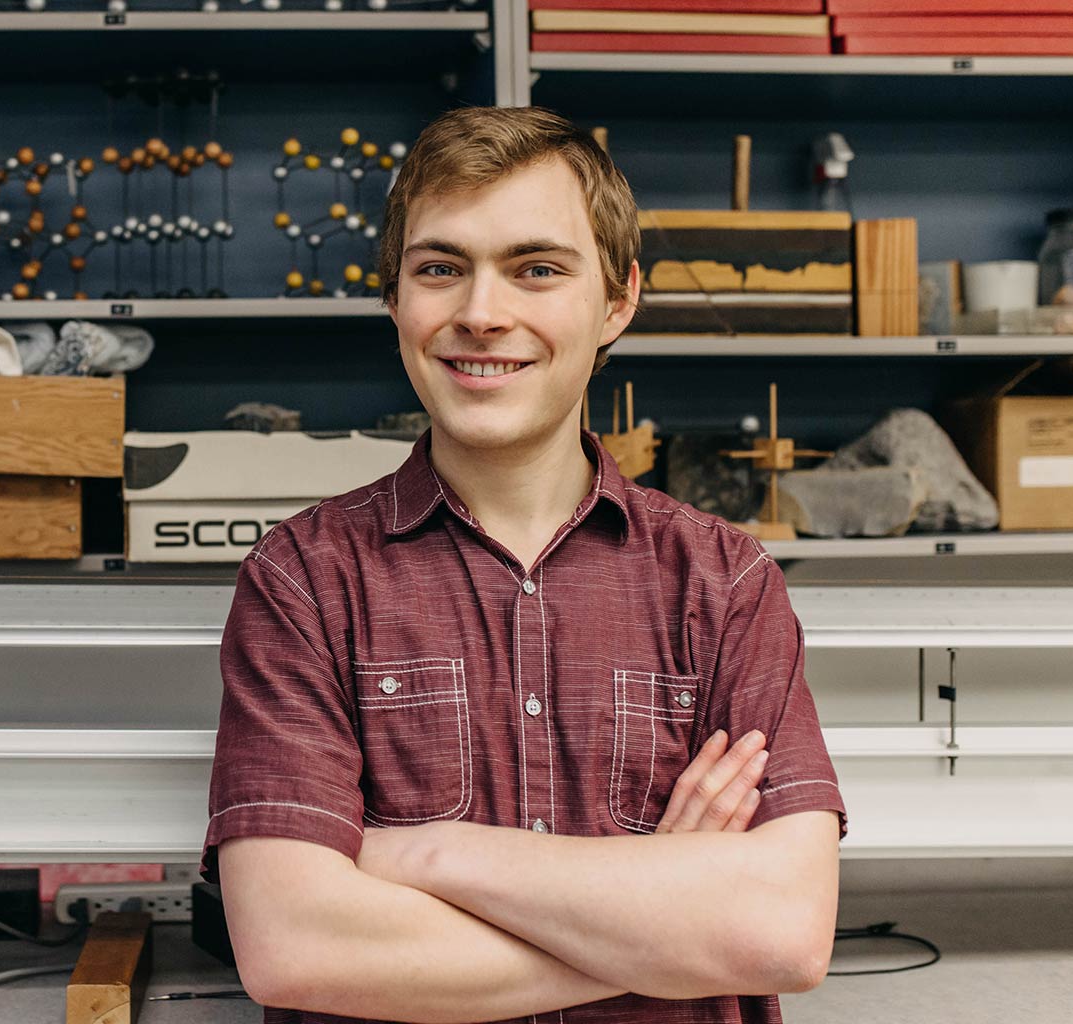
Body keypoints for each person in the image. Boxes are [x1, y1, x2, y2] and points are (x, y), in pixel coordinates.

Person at [203, 105, 846, 1024]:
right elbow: (293, 948)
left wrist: (424, 854)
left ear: (617, 301)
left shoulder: (724, 580)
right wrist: (662, 915)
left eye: (537, 269)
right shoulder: (304, 579)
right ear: (395, 298)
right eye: (440, 270)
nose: (480, 315)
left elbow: (778, 935)